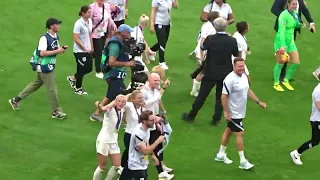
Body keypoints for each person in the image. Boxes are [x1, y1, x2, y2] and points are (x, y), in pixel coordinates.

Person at [182, 17, 239, 126]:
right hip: (225, 73)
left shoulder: (211, 39)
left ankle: (191, 115)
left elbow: (203, 47)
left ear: (215, 27)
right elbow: (236, 54)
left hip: (210, 72)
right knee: (221, 96)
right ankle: (216, 119)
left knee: (202, 95)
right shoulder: (232, 40)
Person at [8, 18, 67, 119]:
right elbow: (42, 52)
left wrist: (61, 50)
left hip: (48, 65)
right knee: (52, 90)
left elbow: (54, 49)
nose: (59, 26)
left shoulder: (56, 36)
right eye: (57, 24)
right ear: (51, 26)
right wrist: (57, 51)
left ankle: (15, 100)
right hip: (44, 67)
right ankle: (56, 112)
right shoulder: (44, 38)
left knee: (35, 84)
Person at [215, 57, 266, 170]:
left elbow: (247, 90)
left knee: (229, 131)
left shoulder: (243, 77)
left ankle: (220, 154)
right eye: (239, 66)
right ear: (234, 66)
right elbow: (223, 96)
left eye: (243, 66)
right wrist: (227, 113)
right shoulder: (229, 80)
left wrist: (258, 101)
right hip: (234, 113)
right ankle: (243, 161)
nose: (241, 68)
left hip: (240, 111)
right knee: (240, 133)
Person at [90, 24, 136, 122]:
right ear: (122, 33)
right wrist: (127, 63)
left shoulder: (120, 41)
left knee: (115, 95)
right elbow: (111, 62)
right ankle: (99, 114)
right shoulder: (115, 45)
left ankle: (101, 113)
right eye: (128, 32)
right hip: (112, 73)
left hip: (116, 74)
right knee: (117, 95)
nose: (130, 33)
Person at [271, 0, 315, 81]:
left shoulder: (299, 1)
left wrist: (311, 22)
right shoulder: (285, 13)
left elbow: (304, 9)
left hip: (292, 28)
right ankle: (280, 76)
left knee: (289, 53)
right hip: (283, 28)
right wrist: (286, 17)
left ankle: (285, 77)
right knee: (283, 53)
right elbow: (274, 9)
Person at [140, 73, 173, 179]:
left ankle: (161, 169)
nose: (158, 82)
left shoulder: (155, 90)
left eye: (159, 81)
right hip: (146, 123)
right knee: (152, 147)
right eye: (155, 81)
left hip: (154, 120)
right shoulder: (143, 91)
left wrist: (161, 113)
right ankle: (161, 172)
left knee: (158, 145)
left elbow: (158, 101)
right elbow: (144, 105)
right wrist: (159, 94)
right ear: (149, 80)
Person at [119, 110, 165, 180]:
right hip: (136, 165)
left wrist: (152, 155)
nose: (154, 122)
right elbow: (145, 151)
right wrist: (158, 141)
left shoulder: (147, 128)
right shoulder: (138, 133)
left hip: (140, 162)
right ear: (144, 121)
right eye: (151, 120)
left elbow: (146, 143)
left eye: (154, 119)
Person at [93, 95, 126, 180]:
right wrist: (99, 105)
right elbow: (103, 109)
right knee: (102, 166)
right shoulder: (110, 109)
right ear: (115, 101)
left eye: (123, 102)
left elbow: (129, 96)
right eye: (118, 101)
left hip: (113, 140)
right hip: (104, 140)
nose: (120, 103)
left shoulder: (122, 110)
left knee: (117, 166)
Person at [273, 0, 302, 92]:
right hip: (281, 43)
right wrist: (282, 46)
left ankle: (286, 80)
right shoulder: (283, 15)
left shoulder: (294, 14)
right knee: (280, 63)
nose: (295, 6)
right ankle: (276, 83)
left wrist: (300, 24)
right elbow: (281, 31)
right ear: (288, 4)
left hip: (291, 42)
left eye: (296, 4)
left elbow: (295, 24)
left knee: (296, 62)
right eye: (293, 4)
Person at [290, 77, 320, 165]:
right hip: (317, 120)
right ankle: (296, 153)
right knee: (315, 141)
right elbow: (319, 107)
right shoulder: (318, 91)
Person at [190, 11, 220, 97]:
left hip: (204, 52)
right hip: (203, 53)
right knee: (203, 72)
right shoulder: (209, 28)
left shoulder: (208, 25)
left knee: (201, 71)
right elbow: (202, 41)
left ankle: (196, 88)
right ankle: (194, 91)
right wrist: (201, 55)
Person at [67, 5, 93, 95]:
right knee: (81, 69)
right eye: (89, 12)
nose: (90, 14)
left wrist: (91, 47)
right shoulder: (78, 23)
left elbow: (90, 34)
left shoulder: (89, 21)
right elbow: (75, 37)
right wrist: (84, 47)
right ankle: (78, 89)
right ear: (83, 13)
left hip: (88, 50)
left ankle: (72, 78)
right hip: (79, 51)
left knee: (89, 68)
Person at [90, 0, 117, 79]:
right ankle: (98, 70)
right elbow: (89, 21)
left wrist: (113, 25)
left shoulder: (107, 6)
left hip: (104, 32)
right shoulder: (92, 7)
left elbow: (109, 18)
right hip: (95, 33)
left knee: (102, 50)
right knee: (98, 52)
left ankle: (103, 67)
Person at [149, 0, 179, 70]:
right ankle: (161, 62)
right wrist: (152, 24)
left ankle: (150, 51)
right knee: (162, 43)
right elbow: (153, 11)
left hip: (167, 23)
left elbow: (176, 6)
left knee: (163, 42)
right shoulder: (157, 1)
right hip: (159, 22)